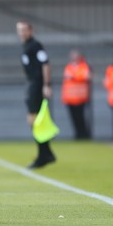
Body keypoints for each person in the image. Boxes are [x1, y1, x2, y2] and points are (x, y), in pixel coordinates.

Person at [16, 20, 57, 169]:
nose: (22, 33)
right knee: (34, 121)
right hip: (32, 85)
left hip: (38, 85)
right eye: (19, 30)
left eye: (24, 30)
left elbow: (46, 63)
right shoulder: (26, 46)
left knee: (35, 120)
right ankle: (46, 153)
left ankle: (43, 155)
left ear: (31, 30)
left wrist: (46, 85)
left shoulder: (35, 45)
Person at [61, 49, 92, 139]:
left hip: (81, 97)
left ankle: (84, 135)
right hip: (70, 98)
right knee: (74, 118)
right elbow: (67, 78)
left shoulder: (84, 66)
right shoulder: (69, 67)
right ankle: (78, 134)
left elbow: (86, 76)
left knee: (81, 117)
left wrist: (74, 77)